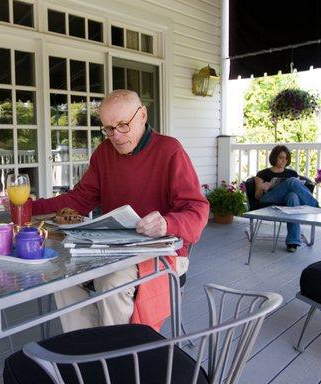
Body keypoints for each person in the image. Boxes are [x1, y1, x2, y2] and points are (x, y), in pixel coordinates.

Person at [29, 89, 209, 332]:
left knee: (111, 280)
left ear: (142, 115)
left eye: (123, 125)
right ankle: (87, 349)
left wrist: (167, 223)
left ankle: (121, 358)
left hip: (163, 251)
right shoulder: (104, 152)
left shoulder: (170, 150)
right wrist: (29, 207)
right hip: (114, 249)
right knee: (64, 276)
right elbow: (80, 199)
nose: (116, 136)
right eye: (108, 128)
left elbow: (197, 210)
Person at [255, 145, 319, 252]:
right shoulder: (263, 173)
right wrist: (262, 187)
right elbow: (257, 196)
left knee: (293, 196)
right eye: (281, 157)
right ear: (274, 157)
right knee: (292, 181)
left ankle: (292, 242)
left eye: (286, 158)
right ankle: (316, 207)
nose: (284, 160)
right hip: (268, 199)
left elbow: (298, 192)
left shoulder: (291, 173)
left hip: (286, 201)